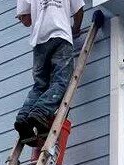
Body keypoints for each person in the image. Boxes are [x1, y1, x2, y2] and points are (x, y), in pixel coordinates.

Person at [15, 0, 85, 140]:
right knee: (60, 81)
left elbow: (26, 20)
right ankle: (40, 112)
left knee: (40, 85)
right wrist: (76, 28)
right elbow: (78, 10)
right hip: (61, 36)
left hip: (39, 41)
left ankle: (23, 118)